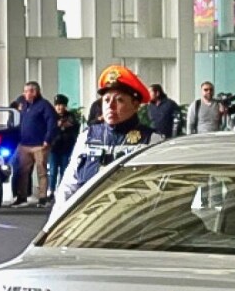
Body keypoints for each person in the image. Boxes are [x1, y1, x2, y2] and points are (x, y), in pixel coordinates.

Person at [50, 66, 157, 221]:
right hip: (88, 223)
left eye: (119, 100)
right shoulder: (88, 136)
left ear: (135, 105)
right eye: (106, 100)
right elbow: (68, 185)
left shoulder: (151, 139)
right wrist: (54, 225)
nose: (111, 106)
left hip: (131, 222)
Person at [12, 81, 57, 207]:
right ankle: (22, 196)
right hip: (24, 144)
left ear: (35, 92)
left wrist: (48, 139)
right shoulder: (24, 105)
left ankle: (43, 198)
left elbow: (52, 122)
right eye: (24, 91)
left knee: (41, 171)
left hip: (40, 144)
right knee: (22, 171)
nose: (25, 94)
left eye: (28, 91)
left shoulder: (44, 105)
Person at [48, 94, 80, 198]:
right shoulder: (51, 116)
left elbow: (74, 128)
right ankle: (50, 190)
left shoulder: (71, 116)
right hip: (53, 148)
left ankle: (60, 189)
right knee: (52, 170)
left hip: (66, 148)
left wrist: (65, 126)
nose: (59, 107)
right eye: (57, 105)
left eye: (62, 105)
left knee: (64, 170)